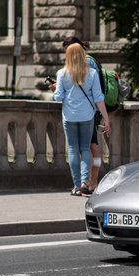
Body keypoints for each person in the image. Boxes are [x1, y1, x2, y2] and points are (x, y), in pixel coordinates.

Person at [53, 43, 110, 196]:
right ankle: (85, 181)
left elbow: (58, 97)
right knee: (85, 148)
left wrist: (57, 91)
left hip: (70, 116)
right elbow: (99, 97)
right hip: (87, 115)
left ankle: (77, 186)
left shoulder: (62, 73)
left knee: (72, 150)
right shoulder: (91, 73)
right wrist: (106, 118)